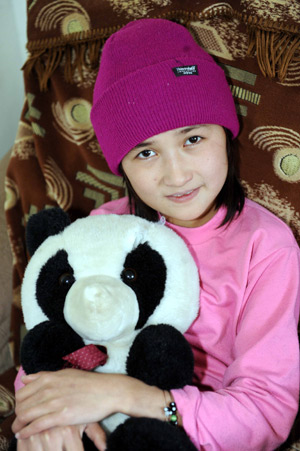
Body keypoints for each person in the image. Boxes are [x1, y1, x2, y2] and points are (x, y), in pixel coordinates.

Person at [12, 18, 300, 451]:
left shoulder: (266, 247)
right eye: (146, 152)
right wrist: (50, 418)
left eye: (193, 139)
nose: (177, 174)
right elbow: (43, 344)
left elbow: (266, 412)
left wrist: (128, 397)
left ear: (225, 134)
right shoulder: (103, 228)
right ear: (121, 166)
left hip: (191, 431)